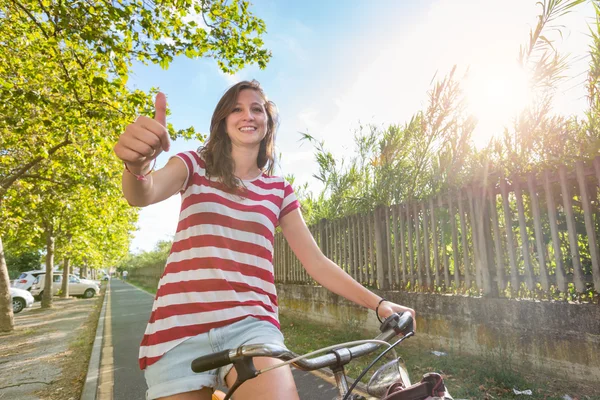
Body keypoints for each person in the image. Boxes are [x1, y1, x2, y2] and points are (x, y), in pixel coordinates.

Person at [113, 80, 416, 400]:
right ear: (222, 121)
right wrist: (137, 165)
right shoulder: (193, 166)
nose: (248, 115)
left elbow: (316, 261)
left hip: (251, 327)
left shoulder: (279, 190)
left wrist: (380, 305)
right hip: (178, 329)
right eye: (237, 108)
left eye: (257, 109)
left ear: (268, 123)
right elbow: (141, 194)